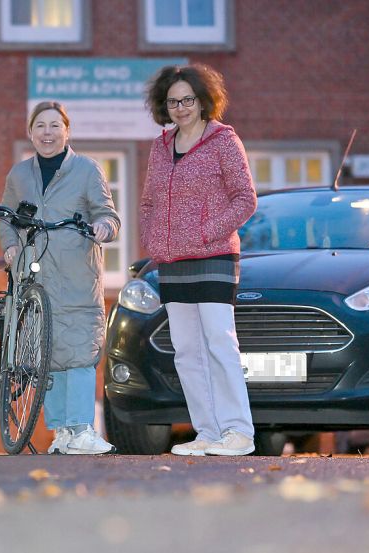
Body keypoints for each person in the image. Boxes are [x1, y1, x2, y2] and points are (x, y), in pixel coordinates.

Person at [139, 64, 258, 456]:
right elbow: (149, 201)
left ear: (203, 100)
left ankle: (238, 432)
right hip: (173, 261)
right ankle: (207, 432)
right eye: (173, 101)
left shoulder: (224, 141)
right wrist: (152, 238)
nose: (181, 107)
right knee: (187, 350)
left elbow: (245, 198)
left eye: (188, 99)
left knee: (219, 343)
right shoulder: (160, 146)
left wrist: (207, 232)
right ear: (164, 105)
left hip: (215, 256)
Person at [0, 101, 120, 455]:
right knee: (45, 351)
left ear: (67, 131)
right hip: (34, 274)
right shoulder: (19, 175)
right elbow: (7, 218)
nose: (47, 133)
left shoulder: (86, 169)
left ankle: (82, 427)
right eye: (40, 126)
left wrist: (102, 228)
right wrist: (9, 248)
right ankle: (62, 433)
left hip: (77, 275)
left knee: (81, 349)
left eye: (55, 126)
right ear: (30, 132)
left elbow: (109, 216)